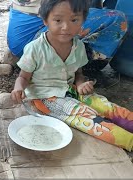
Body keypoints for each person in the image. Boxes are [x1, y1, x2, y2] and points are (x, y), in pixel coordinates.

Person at [11, 0, 133, 152]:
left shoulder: (78, 46)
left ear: (83, 21)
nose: (66, 27)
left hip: (71, 90)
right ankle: (129, 142)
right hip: (45, 98)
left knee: (108, 107)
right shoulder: (35, 48)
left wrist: (81, 84)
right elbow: (23, 77)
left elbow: (78, 73)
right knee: (89, 118)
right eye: (58, 20)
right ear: (45, 21)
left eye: (74, 20)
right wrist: (18, 88)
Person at [6, 0, 128, 70]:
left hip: (20, 42)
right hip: (34, 42)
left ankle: (78, 61)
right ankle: (85, 65)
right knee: (116, 18)